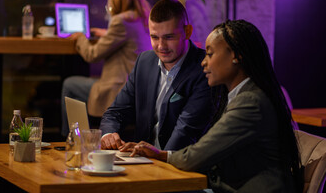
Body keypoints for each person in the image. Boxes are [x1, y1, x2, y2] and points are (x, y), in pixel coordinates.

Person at [125, 20, 303, 192]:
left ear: (235, 56)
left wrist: (158, 154)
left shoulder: (251, 102)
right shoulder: (241, 96)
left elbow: (197, 157)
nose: (203, 62)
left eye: (210, 54)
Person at [100, 0, 214, 151]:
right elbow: (115, 112)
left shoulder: (205, 68)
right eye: (154, 37)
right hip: (140, 159)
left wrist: (155, 156)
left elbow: (186, 132)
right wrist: (108, 135)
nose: (161, 46)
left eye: (169, 37)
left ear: (187, 32)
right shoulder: (144, 62)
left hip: (178, 164)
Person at [61, 0, 152, 136]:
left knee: (70, 84)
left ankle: (71, 139)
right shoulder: (143, 18)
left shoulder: (120, 21)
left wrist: (80, 37)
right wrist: (106, 33)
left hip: (118, 87)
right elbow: (127, 38)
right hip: (138, 87)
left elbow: (92, 54)